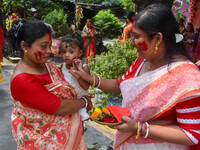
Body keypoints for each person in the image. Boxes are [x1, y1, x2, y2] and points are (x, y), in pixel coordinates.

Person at [70, 4, 200, 150]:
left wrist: (139, 128)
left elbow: (191, 134)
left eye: (137, 37)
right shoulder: (142, 61)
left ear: (157, 38)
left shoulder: (187, 76)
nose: (132, 42)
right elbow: (121, 85)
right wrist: (89, 79)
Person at [8, 19, 91, 149]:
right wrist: (85, 101)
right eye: (43, 46)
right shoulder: (22, 79)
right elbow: (60, 107)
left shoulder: (45, 64)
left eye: (50, 45)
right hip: (42, 142)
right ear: (24, 46)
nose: (49, 51)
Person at [59, 33, 90, 121]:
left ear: (80, 53)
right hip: (68, 101)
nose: (66, 55)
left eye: (71, 52)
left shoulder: (84, 67)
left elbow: (86, 86)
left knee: (80, 122)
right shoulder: (63, 66)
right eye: (63, 52)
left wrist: (77, 75)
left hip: (80, 101)